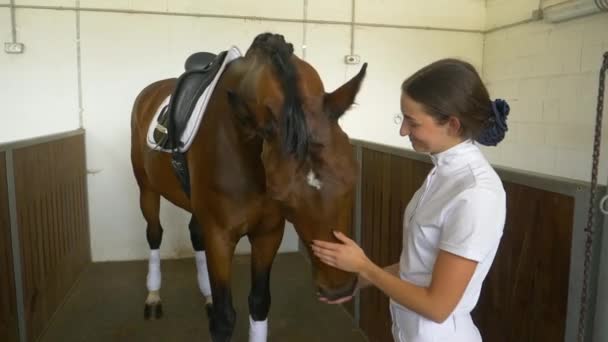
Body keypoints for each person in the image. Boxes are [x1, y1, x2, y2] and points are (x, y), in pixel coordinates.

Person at [311, 58, 510, 342]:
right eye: (403, 118)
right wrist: (356, 281)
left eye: (412, 122)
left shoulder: (476, 194)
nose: (403, 131)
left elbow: (437, 307)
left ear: (452, 125)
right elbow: (417, 265)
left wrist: (364, 266)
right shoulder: (442, 175)